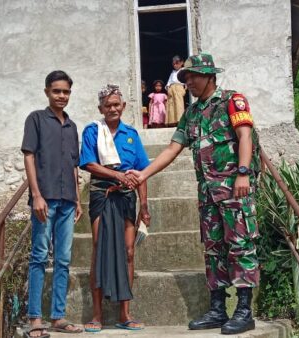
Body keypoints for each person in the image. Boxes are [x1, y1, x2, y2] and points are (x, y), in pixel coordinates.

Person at [127, 53, 260, 335]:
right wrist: (143, 174)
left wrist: (244, 172)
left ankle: (245, 311)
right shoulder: (191, 114)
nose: (189, 83)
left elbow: (245, 135)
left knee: (240, 245)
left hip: (235, 188)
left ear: (210, 76)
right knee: (213, 249)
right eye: (186, 79)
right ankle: (217, 309)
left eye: (194, 77)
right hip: (208, 194)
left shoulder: (232, 101)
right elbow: (172, 149)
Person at [79, 84, 151, 333]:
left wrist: (145, 206)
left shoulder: (131, 134)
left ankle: (125, 313)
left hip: (127, 199)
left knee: (129, 252)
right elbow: (88, 163)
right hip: (102, 195)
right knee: (99, 249)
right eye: (107, 105)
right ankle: (96, 315)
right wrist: (117, 176)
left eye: (116, 104)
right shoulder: (92, 131)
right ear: (101, 108)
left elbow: (142, 171)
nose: (112, 109)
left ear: (123, 107)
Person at [21, 70, 84, 337]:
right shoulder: (36, 119)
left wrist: (79, 199)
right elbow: (29, 157)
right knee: (38, 257)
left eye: (66, 92)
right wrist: (36, 195)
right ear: (47, 91)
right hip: (45, 201)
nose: (61, 96)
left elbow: (73, 165)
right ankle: (35, 318)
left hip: (68, 201)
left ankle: (58, 317)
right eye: (57, 91)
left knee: (64, 259)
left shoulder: (71, 126)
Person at [165, 55, 186, 127]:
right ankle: (172, 122)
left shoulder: (183, 71)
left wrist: (184, 89)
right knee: (171, 105)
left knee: (179, 105)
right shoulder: (173, 73)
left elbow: (186, 82)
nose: (175, 65)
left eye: (177, 63)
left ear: (182, 62)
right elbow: (168, 82)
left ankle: (179, 121)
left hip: (179, 88)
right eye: (173, 64)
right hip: (171, 89)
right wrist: (168, 89)